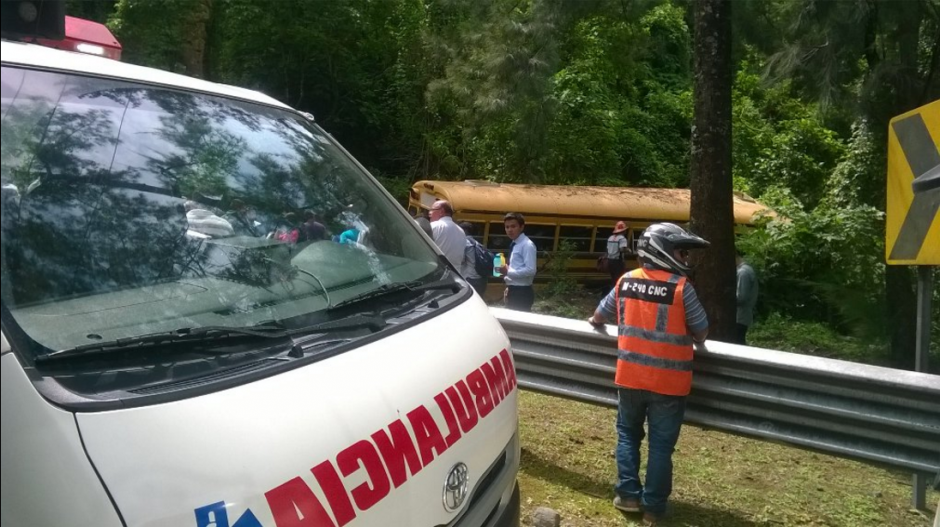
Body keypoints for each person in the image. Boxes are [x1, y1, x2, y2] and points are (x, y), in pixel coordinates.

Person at [586, 222, 710, 524]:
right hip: (669, 384)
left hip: (629, 378)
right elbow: (702, 333)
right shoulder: (682, 289)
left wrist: (596, 320)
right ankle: (653, 509)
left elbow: (598, 316)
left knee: (628, 436)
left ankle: (628, 495)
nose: (685, 259)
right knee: (660, 446)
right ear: (663, 251)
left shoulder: (626, 281)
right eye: (681, 253)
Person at [496, 212, 537, 312]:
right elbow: (517, 267)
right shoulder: (515, 244)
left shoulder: (527, 245)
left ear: (521, 227)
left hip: (522, 292)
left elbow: (531, 270)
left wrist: (508, 272)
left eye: (513, 226)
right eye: (507, 227)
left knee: (518, 325)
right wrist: (509, 284)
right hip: (514, 289)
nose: (510, 230)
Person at [429, 200, 466, 269]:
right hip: (455, 275)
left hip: (435, 271)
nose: (430, 213)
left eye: (432, 210)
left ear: (441, 212)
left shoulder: (434, 226)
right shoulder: (461, 231)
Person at [459, 222, 488, 297]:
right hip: (482, 279)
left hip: (470, 278)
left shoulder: (465, 242)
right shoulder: (477, 243)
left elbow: (461, 260)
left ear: (464, 230)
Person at [735, 249, 758, 345]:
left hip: (740, 316)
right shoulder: (746, 270)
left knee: (739, 343)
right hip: (743, 315)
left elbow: (741, 297)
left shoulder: (743, 272)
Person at [606, 221, 630, 290]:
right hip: (618, 261)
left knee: (613, 278)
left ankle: (612, 291)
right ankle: (617, 291)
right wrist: (628, 250)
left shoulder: (610, 238)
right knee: (620, 278)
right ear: (623, 231)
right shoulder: (622, 239)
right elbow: (622, 249)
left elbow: (607, 249)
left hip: (610, 260)